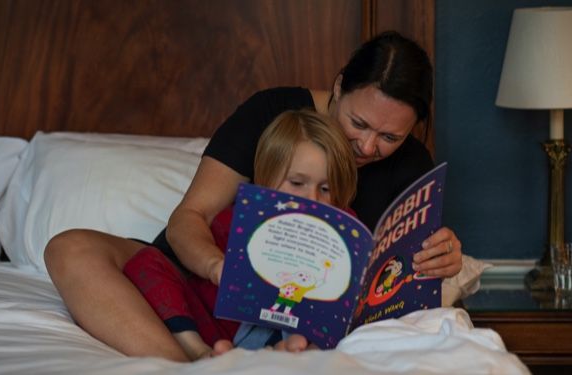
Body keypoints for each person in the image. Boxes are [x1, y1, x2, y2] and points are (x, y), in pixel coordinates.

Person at [44, 30, 463, 361]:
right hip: (208, 278)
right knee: (70, 248)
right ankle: (190, 363)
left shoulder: (410, 164)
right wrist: (216, 268)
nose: (368, 148)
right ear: (339, 87)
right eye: (358, 123)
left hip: (304, 306)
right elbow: (189, 217)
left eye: (390, 136)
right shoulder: (271, 113)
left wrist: (442, 257)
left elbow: (399, 273)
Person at [121, 109, 357, 360]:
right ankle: (197, 350)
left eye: (325, 188)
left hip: (300, 325)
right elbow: (202, 280)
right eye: (297, 183)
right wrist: (218, 267)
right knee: (145, 262)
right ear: (265, 178)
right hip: (223, 328)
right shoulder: (237, 218)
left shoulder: (345, 225)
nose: (312, 199)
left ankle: (289, 352)